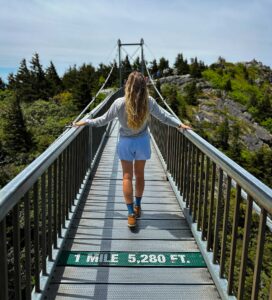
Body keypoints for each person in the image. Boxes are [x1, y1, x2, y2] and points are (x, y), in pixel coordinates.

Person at [74, 71, 191, 228]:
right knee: (140, 175)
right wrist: (179, 124)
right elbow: (163, 116)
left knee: (127, 177)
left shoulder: (119, 103)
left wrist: (86, 121)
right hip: (142, 142)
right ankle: (137, 205)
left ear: (127, 85)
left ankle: (130, 214)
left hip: (125, 143)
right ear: (144, 86)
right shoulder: (149, 102)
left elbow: (102, 121)